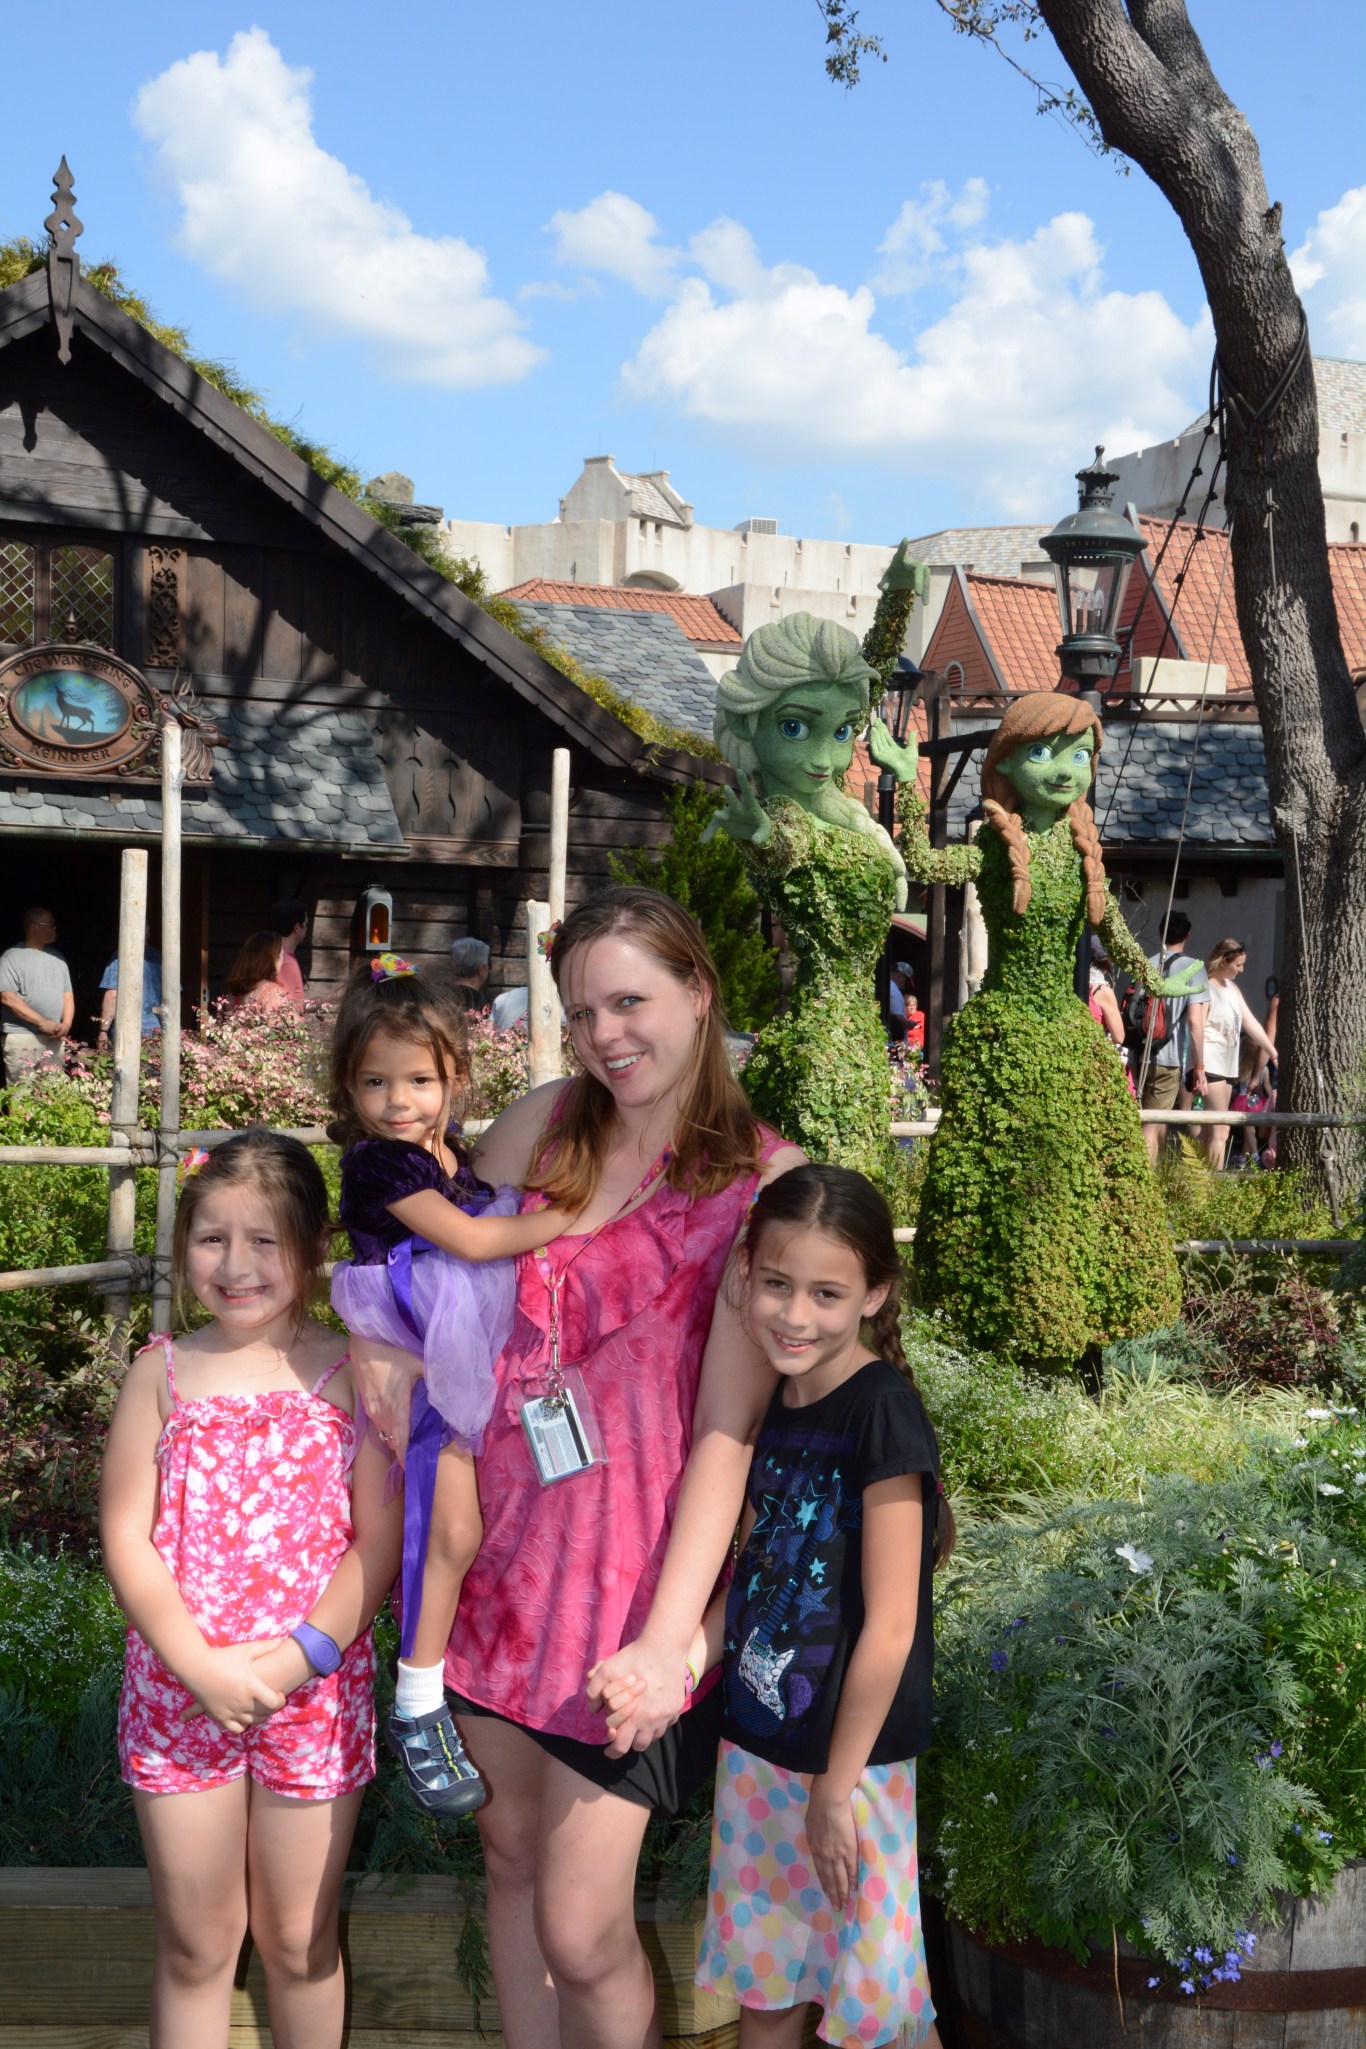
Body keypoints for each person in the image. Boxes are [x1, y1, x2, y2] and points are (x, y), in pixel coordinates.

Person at [351, 886, 802, 2049]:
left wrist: (671, 1641)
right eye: (583, 1010)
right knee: (509, 1862)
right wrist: (375, 1339)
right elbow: (413, 1250)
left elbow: (728, 1435)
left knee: (584, 1926)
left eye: (630, 1003)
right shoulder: (543, 1122)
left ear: (698, 993)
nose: (605, 1035)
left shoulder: (761, 1186)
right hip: (494, 1567)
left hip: (627, 1597)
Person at [99, 1131, 403, 2049]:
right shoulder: (159, 1373)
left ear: (312, 1247)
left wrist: (289, 1662)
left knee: (299, 1941)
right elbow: (125, 1535)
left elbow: (380, 1540)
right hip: (177, 1694)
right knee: (197, 1945)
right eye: (212, 1238)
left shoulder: (354, 1371)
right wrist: (200, 1667)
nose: (236, 1266)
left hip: (310, 1698)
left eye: (264, 1240)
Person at [679, 1164, 949, 2049]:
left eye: (826, 1294)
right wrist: (680, 1663)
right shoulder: (776, 1403)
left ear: (874, 1292)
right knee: (767, 1993)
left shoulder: (882, 1413)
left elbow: (893, 1625)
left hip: (854, 1773)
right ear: (746, 1274)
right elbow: (755, 1576)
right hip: (758, 1754)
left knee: (876, 2012)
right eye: (777, 1284)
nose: (795, 1315)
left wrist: (835, 1790)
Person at [328, 955, 576, 1816]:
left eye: (419, 1081)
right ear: (349, 1086)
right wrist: (572, 1215)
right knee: (449, 1528)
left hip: (448, 1355)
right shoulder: (379, 1165)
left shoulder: (449, 1155)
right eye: (375, 1082)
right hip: (420, 1352)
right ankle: (416, 1701)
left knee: (456, 1529)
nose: (397, 1101)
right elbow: (470, 1244)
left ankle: (423, 1688)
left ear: (455, 1077)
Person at [1135, 910, 1209, 1166]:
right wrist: (1199, 1068)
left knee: (1150, 1120)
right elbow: (1195, 1021)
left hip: (1140, 1053)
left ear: (1160, 934)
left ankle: (1154, 1173)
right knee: (1151, 1125)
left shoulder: (1147, 964)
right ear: (1188, 936)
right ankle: (1144, 1181)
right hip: (1168, 1057)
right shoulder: (1194, 968)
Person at [1200, 938, 1276, 1169]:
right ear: (1223, 961)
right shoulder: (1205, 987)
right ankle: (1214, 1184)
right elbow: (1196, 1027)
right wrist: (1198, 1067)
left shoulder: (1233, 989)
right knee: (1222, 1129)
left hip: (1228, 1065)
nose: (1241, 970)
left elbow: (1250, 1022)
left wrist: (1272, 1052)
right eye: (1238, 965)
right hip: (1210, 1062)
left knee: (1211, 1130)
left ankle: (1202, 1179)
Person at [0, 906, 73, 1086]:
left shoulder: (58, 958)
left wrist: (66, 1024)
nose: (55, 929)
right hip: (22, 1037)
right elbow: (8, 998)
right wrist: (42, 1023)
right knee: (21, 1094)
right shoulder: (10, 957)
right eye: (51, 925)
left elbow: (67, 996)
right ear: (34, 927)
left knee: (53, 1093)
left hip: (54, 1038)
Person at [97, 918, 165, 1050]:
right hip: (157, 1030)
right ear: (148, 934)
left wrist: (103, 1031)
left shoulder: (120, 957)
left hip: (127, 1030)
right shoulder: (161, 958)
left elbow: (112, 995)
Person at [227, 931, 290, 1012]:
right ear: (272, 959)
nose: (282, 960)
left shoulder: (234, 994)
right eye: (281, 955)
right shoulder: (271, 992)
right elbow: (285, 1019)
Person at [271, 898, 310, 1005]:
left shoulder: (265, 953)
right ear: (297, 928)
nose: (306, 928)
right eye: (306, 924)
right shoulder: (286, 962)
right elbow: (283, 1008)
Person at [449, 936, 491, 1013]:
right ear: (482, 969)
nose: (489, 969)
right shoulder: (481, 1004)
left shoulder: (440, 995)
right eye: (488, 965)